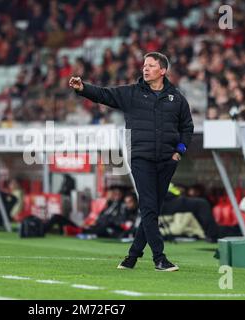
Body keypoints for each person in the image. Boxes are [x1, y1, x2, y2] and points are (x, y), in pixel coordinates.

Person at [70, 51, 194, 271]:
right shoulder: (132, 93)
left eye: (151, 66)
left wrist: (179, 152)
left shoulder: (177, 98)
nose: (145, 69)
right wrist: (83, 88)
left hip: (167, 161)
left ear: (163, 71)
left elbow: (187, 127)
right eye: (144, 65)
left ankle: (132, 257)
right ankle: (159, 258)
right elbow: (104, 95)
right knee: (148, 206)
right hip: (141, 159)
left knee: (152, 210)